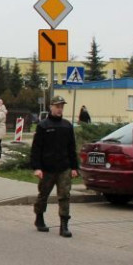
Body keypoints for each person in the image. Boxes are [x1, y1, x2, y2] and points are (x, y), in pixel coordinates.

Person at [30, 95, 79, 237]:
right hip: (47, 168)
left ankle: (64, 225)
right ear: (51, 107)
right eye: (57, 106)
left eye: (62, 106)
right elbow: (36, 148)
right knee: (43, 195)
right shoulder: (43, 126)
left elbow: (71, 147)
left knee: (65, 195)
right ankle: (39, 218)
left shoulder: (67, 125)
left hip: (64, 167)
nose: (60, 109)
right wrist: (37, 167)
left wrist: (74, 167)